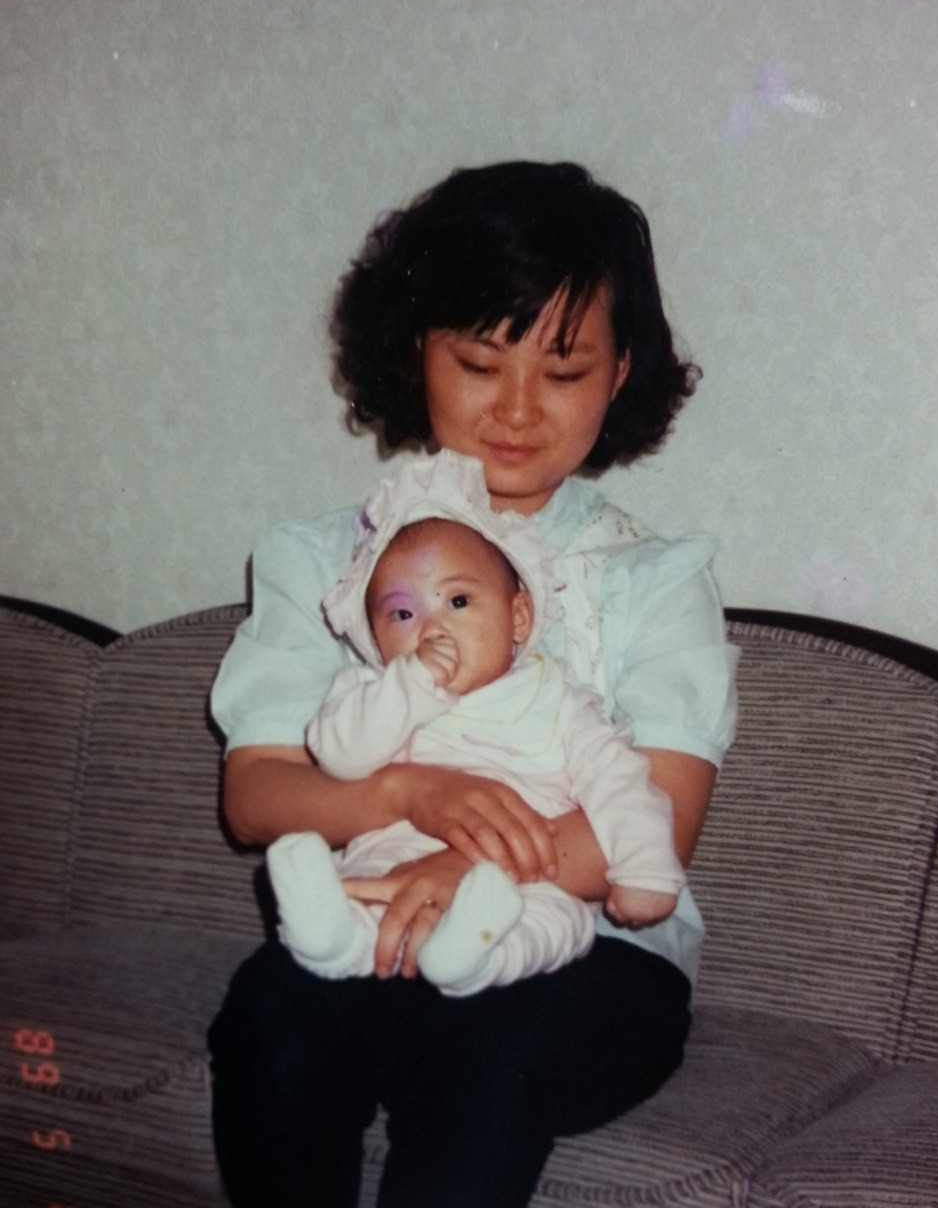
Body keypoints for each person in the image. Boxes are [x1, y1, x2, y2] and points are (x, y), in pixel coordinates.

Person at [208, 160, 738, 1208]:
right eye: (481, 362)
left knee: (485, 1054)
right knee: (270, 1022)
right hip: (371, 913)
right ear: (418, 349)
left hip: (594, 948)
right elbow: (256, 794)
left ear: (621, 372)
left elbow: (659, 821)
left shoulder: (655, 579)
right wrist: (408, 797)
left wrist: (470, 868)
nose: (519, 409)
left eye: (564, 368)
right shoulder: (323, 563)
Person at [268, 450, 685, 997]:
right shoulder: (373, 692)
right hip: (395, 857)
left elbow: (620, 782)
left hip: (521, 880)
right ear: (374, 638)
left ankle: (472, 954)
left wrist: (645, 867)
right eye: (402, 614)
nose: (431, 629)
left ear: (519, 617)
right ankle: (332, 941)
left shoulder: (557, 701)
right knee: (357, 891)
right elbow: (340, 755)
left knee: (559, 922)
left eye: (458, 600)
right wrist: (410, 685)